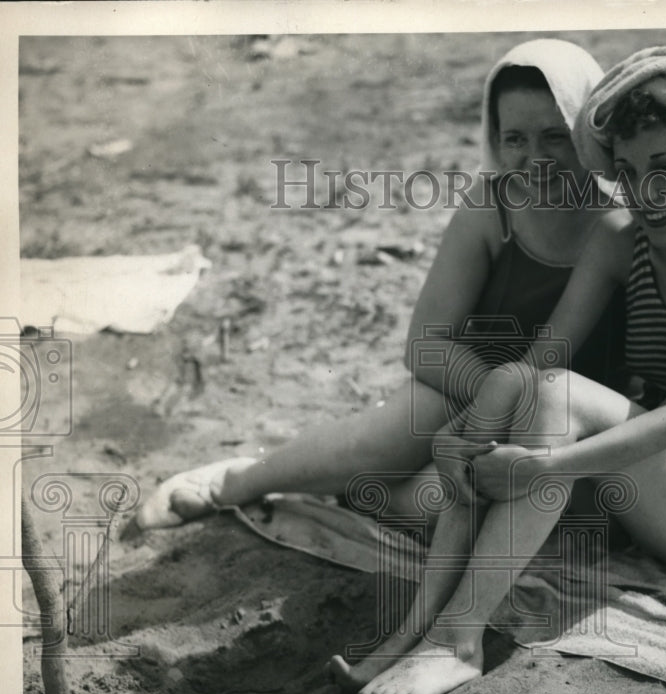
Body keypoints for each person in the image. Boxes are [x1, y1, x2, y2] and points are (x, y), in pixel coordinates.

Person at [341, 45, 666, 694]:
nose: (648, 193)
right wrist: (467, 438)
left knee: (549, 403)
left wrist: (543, 466)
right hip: (635, 476)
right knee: (512, 399)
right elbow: (534, 363)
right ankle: (414, 628)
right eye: (630, 172)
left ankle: (458, 638)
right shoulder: (618, 236)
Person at [126, 38, 626, 540]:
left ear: (588, 131)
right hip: (465, 395)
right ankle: (240, 480)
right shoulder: (490, 208)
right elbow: (424, 346)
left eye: (554, 137)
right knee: (392, 434)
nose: (534, 159)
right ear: (494, 139)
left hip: (565, 418)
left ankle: (361, 493)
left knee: (446, 506)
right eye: (515, 138)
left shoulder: (623, 225)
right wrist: (492, 401)